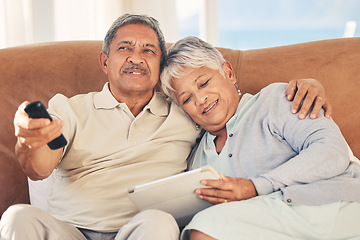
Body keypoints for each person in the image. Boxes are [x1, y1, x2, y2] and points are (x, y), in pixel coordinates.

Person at [0, 13, 330, 240]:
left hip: (139, 230)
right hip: (70, 230)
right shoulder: (69, 109)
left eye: (148, 50)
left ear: (160, 65)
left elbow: (232, 111)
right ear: (105, 61)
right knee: (17, 217)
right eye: (124, 48)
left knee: (159, 222)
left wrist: (310, 84)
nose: (136, 57)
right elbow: (39, 168)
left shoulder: (186, 111)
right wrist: (30, 143)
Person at [160, 36, 360, 240]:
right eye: (186, 99)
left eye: (204, 83)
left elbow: (332, 151)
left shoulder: (276, 99)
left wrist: (254, 187)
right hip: (259, 229)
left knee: (207, 227)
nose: (200, 99)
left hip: (328, 207)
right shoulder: (196, 159)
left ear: (228, 72)